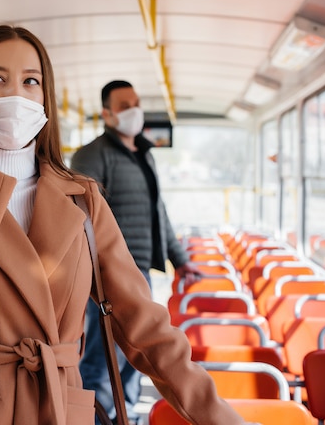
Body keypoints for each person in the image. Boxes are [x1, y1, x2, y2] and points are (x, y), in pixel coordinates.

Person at [0, 25, 247, 425]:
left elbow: (143, 324)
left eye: (31, 81)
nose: (16, 93)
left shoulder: (82, 197)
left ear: (45, 98)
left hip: (58, 403)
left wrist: (220, 417)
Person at [71, 80, 201, 424]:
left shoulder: (144, 153)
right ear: (107, 113)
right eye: (125, 104)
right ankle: (96, 418)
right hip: (107, 274)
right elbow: (80, 216)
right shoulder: (92, 155)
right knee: (103, 355)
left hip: (139, 270)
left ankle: (123, 417)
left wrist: (180, 259)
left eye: (136, 102)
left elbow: (158, 212)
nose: (134, 110)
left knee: (135, 356)